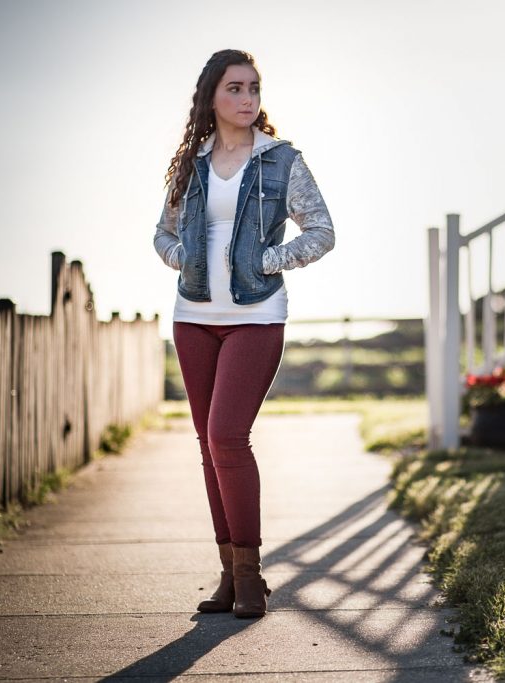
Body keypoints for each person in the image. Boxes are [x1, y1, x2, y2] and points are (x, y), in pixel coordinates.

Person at [152, 49, 335, 619]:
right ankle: (230, 576)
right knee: (209, 448)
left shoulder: (282, 161)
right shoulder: (193, 161)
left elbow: (323, 232)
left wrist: (267, 260)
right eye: (235, 88)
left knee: (228, 436)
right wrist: (183, 256)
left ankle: (251, 575)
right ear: (212, 96)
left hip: (256, 316)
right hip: (194, 317)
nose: (248, 97)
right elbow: (161, 233)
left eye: (254, 87)